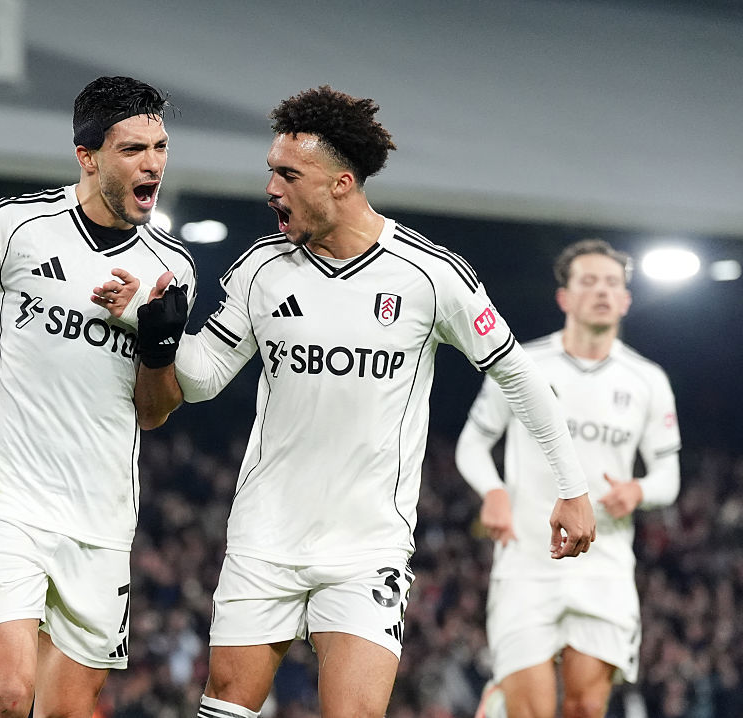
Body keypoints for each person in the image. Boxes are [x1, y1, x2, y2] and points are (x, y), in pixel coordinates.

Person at [98, 86, 596, 718]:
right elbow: (202, 379)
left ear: (340, 182)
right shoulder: (262, 270)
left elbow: (521, 379)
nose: (272, 188)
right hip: (264, 541)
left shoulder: (428, 276)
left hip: (367, 551)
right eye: (270, 171)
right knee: (224, 706)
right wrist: (152, 325)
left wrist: (572, 488)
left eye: (288, 173)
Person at [0, 75, 197, 718]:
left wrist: (155, 345)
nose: (152, 162)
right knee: (8, 695)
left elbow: (153, 412)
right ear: (88, 157)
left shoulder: (173, 271)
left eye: (160, 146)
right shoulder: (14, 229)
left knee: (66, 713)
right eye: (132, 149)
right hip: (5, 501)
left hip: (101, 521)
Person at [456, 239, 681, 718]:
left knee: (585, 706)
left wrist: (638, 490)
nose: (601, 291)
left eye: (612, 283)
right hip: (526, 562)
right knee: (531, 712)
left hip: (604, 565)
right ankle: (502, 694)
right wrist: (493, 492)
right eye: (588, 281)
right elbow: (472, 443)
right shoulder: (523, 365)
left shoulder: (647, 380)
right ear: (564, 298)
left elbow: (669, 476)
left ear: (626, 299)